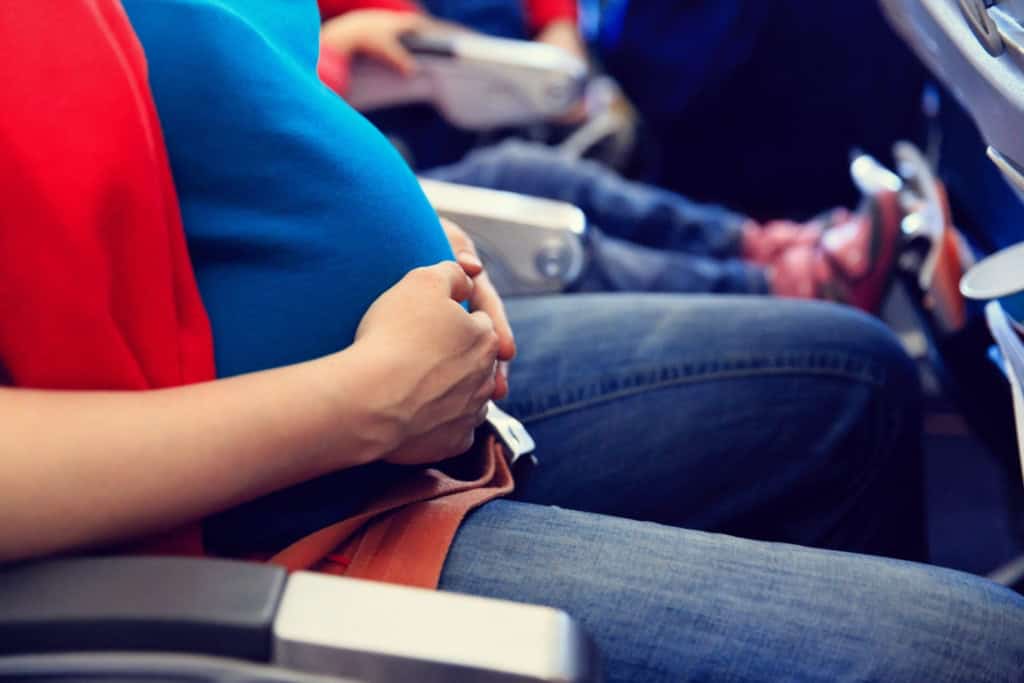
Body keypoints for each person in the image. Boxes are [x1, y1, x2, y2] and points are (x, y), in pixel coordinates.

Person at [4, 3, 1024, 682]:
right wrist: (358, 401)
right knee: (977, 651)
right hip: (256, 521)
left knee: (849, 377)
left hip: (368, 402)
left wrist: (395, 216)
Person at [317, 6, 904, 311]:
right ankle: (777, 288)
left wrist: (556, 29)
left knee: (531, 171)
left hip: (371, 138)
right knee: (556, 240)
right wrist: (341, 46)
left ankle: (759, 245)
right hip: (358, 169)